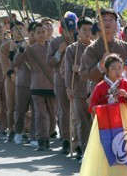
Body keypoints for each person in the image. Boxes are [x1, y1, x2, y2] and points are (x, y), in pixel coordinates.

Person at [81, 53, 127, 176]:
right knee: (105, 151)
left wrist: (126, 95)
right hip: (105, 124)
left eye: (120, 68)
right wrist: (104, 107)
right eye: (114, 68)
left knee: (125, 151)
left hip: (124, 122)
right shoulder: (100, 87)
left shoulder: (126, 84)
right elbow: (91, 107)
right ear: (107, 70)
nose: (117, 71)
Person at [14, 22, 54, 151]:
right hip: (36, 85)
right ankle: (40, 138)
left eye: (43, 32)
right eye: (38, 33)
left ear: (47, 33)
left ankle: (47, 136)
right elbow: (16, 62)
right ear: (33, 35)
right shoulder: (30, 49)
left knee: (52, 115)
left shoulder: (52, 47)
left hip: (52, 84)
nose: (41, 35)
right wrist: (22, 49)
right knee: (39, 114)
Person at [79, 8, 127, 94]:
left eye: (111, 19)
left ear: (116, 24)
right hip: (100, 95)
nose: (107, 22)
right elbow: (88, 75)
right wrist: (101, 64)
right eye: (103, 19)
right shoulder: (91, 49)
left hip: (122, 94)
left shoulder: (126, 47)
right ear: (99, 24)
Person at [64, 17, 93, 160]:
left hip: (93, 90)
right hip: (78, 89)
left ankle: (94, 150)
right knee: (82, 121)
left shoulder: (96, 47)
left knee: (94, 121)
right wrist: (68, 88)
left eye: (89, 30)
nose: (87, 33)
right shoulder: (72, 49)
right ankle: (83, 148)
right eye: (84, 30)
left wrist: (80, 68)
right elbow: (68, 70)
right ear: (78, 31)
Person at [47, 16, 76, 154]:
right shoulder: (55, 43)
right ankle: (66, 138)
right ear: (62, 29)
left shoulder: (78, 42)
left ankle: (77, 139)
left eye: (72, 30)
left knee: (77, 112)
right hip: (60, 80)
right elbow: (50, 63)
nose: (70, 33)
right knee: (63, 111)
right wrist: (59, 52)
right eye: (67, 30)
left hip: (77, 81)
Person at [2, 20, 31, 144]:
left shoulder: (28, 44)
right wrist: (10, 74)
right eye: (16, 29)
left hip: (25, 79)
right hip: (11, 79)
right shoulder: (5, 46)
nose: (19, 31)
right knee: (11, 105)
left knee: (24, 106)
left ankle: (24, 130)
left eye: (21, 28)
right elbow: (4, 63)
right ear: (11, 31)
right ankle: (11, 129)